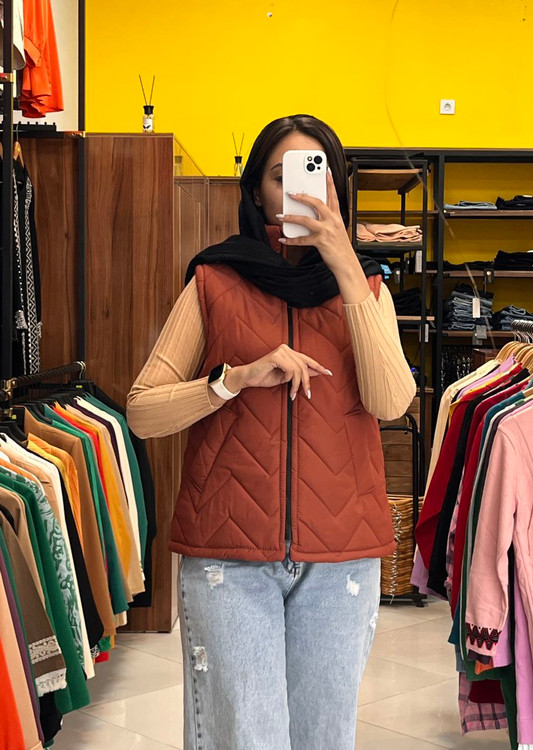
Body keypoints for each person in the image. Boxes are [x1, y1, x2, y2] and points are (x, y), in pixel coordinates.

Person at [126, 114, 416, 750]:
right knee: (243, 740)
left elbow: (392, 401)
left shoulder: (368, 287)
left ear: (337, 188)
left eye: (315, 175)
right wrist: (233, 379)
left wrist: (347, 268)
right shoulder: (214, 280)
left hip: (340, 557)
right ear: (257, 192)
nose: (299, 191)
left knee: (323, 738)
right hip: (228, 558)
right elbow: (143, 411)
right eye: (281, 177)